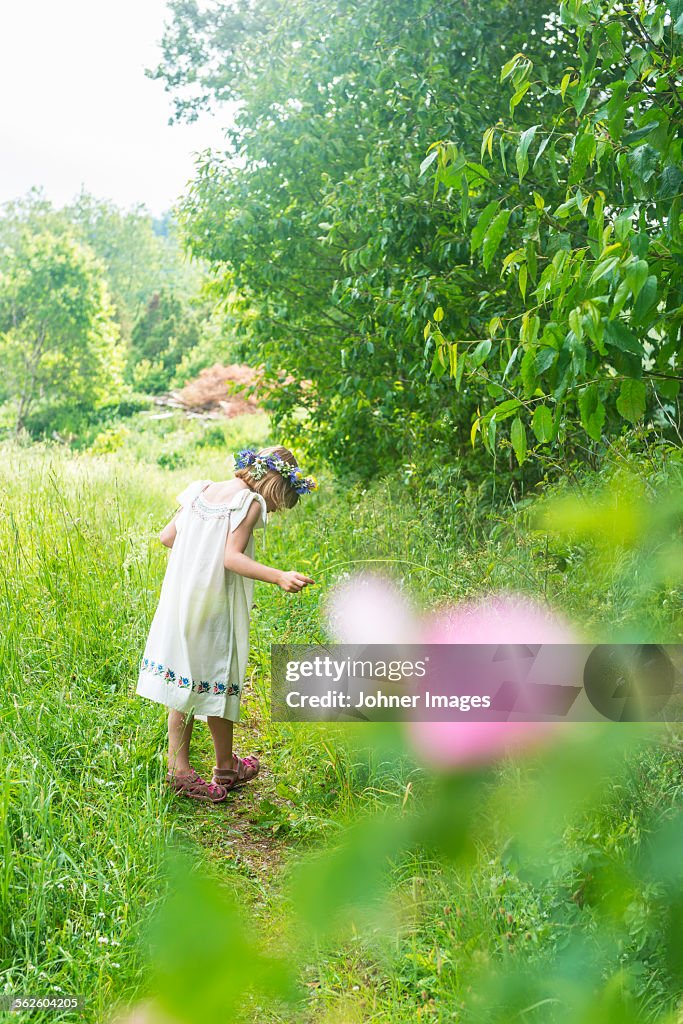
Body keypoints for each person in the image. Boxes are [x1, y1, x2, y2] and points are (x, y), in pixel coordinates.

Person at [136, 445, 317, 803]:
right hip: (213, 604)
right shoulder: (249, 503)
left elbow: (167, 537)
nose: (274, 511)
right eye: (279, 504)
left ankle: (225, 766)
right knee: (208, 679)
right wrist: (279, 576)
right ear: (274, 487)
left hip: (182, 600)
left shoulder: (199, 490)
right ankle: (180, 772)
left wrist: (198, 548)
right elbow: (231, 558)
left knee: (200, 680)